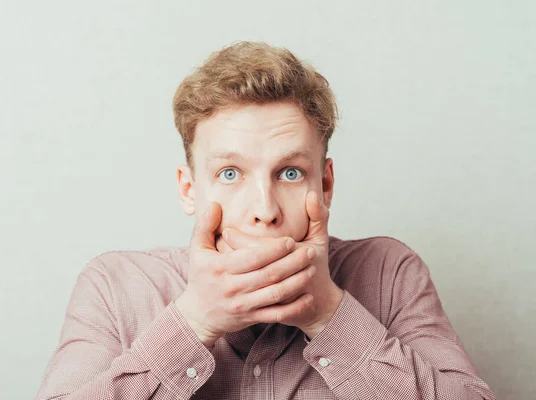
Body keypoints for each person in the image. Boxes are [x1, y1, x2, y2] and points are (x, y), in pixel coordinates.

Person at [35, 41, 495, 400]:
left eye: (290, 173)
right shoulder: (115, 286)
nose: (265, 209)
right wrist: (193, 321)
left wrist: (328, 316)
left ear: (325, 185)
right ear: (189, 189)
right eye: (229, 173)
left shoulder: (389, 272)